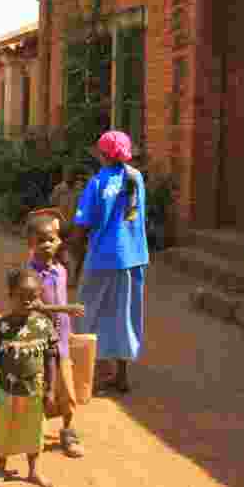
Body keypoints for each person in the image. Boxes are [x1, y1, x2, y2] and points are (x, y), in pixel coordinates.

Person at [72, 131, 148, 394]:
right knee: (124, 314)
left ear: (103, 155)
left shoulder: (97, 183)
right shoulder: (136, 178)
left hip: (103, 258)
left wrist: (74, 264)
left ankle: (96, 376)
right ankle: (122, 376)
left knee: (90, 315)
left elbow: (82, 227)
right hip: (134, 257)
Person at [0, 269, 57, 487]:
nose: (27, 301)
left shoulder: (44, 325)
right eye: (21, 295)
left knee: (34, 430)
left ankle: (33, 470)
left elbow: (51, 359)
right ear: (10, 294)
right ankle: (0, 468)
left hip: (34, 390)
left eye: (33, 296)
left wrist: (51, 389)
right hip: (6, 389)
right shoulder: (1, 326)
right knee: (4, 428)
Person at [24, 211, 86, 458]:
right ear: (30, 244)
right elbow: (34, 306)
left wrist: (67, 326)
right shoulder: (29, 275)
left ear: (59, 241)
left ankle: (68, 429)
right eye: (41, 240)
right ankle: (32, 430)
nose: (47, 244)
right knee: (39, 387)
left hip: (60, 341)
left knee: (67, 388)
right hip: (38, 342)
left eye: (51, 239)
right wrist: (66, 309)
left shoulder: (60, 270)